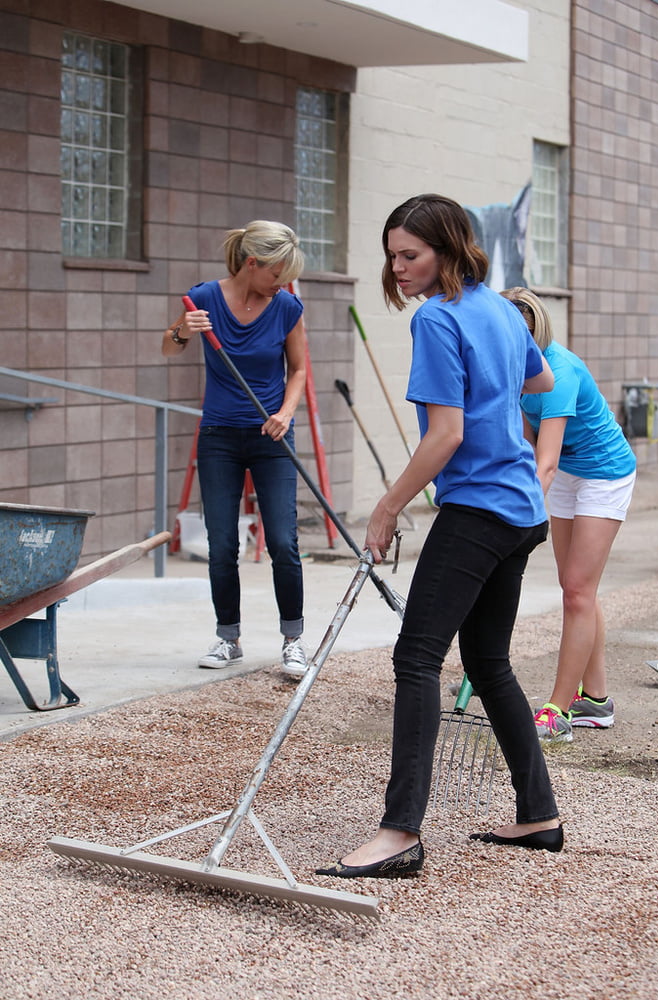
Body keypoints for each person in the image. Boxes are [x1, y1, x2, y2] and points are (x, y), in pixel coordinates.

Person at [316, 194, 562, 882]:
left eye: (411, 255)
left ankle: (399, 832)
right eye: (392, 255)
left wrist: (386, 506)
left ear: (448, 250)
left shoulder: (437, 317)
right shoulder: (501, 310)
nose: (398, 267)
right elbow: (540, 378)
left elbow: (445, 435)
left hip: (478, 510)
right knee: (487, 662)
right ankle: (538, 814)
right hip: (521, 512)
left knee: (417, 658)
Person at [162, 220, 309, 679]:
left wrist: (285, 413)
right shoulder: (204, 298)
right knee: (222, 543)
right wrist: (183, 330)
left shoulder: (286, 307)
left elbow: (299, 370)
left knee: (283, 541)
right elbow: (169, 348)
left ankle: (293, 640)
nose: (282, 283)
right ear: (252, 263)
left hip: (272, 436)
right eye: (277, 273)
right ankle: (229, 638)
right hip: (220, 437)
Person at [501, 287, 636, 742]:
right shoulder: (513, 369)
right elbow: (525, 444)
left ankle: (558, 710)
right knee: (577, 587)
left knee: (578, 589)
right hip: (567, 474)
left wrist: (514, 516)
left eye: (523, 333)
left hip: (604, 473)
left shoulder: (558, 371)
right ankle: (595, 700)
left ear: (537, 330)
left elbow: (546, 463)